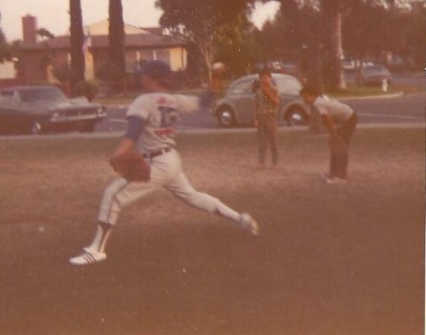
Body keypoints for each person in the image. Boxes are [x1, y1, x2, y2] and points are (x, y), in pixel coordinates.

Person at [69, 60, 259, 266]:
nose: (141, 78)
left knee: (112, 195)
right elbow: (204, 100)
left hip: (156, 163)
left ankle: (97, 250)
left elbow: (133, 131)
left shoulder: (144, 101)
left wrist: (118, 153)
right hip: (171, 160)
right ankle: (240, 218)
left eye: (144, 75)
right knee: (193, 196)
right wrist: (216, 81)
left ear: (154, 79)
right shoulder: (175, 100)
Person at [300, 84, 358, 184]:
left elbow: (328, 120)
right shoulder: (321, 98)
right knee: (334, 145)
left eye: (306, 97)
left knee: (341, 146)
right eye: (303, 98)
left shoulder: (318, 103)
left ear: (313, 95)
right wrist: (334, 135)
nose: (305, 100)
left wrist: (335, 136)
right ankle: (333, 173)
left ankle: (341, 177)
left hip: (349, 119)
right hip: (343, 120)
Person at [254, 68, 280, 168]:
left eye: (266, 77)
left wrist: (268, 93)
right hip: (261, 116)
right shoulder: (258, 92)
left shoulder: (275, 89)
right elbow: (256, 105)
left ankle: (275, 162)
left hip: (271, 116)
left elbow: (277, 102)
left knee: (273, 140)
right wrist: (255, 118)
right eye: (262, 78)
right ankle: (262, 162)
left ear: (270, 78)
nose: (264, 80)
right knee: (262, 141)